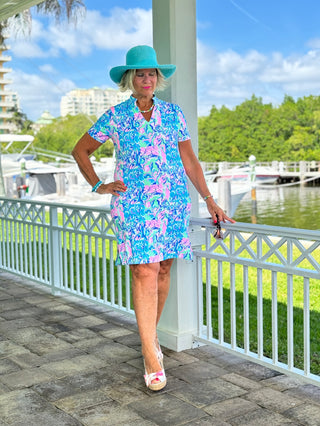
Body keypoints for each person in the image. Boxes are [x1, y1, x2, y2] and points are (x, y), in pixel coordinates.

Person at [72, 45, 235, 392]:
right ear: (130, 79)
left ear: (157, 79)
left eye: (151, 74)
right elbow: (80, 150)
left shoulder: (174, 114)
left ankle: (151, 340)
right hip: (133, 204)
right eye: (140, 74)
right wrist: (99, 185)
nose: (146, 79)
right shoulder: (115, 116)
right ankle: (149, 354)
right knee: (143, 269)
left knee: (162, 269)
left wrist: (209, 200)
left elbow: (189, 161)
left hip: (172, 202)